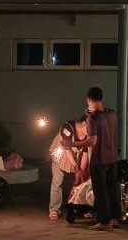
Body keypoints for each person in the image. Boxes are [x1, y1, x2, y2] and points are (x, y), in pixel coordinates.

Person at [74, 86, 120, 230]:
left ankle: (104, 221)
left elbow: (92, 141)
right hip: (113, 157)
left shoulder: (92, 118)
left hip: (98, 159)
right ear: (102, 98)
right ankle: (114, 219)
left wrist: (73, 143)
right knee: (113, 189)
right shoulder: (112, 114)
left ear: (88, 99)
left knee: (101, 191)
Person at [48, 119, 85, 220]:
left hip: (77, 156)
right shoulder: (68, 127)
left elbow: (85, 152)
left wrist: (80, 169)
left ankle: (81, 209)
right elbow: (66, 149)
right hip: (60, 155)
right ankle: (54, 209)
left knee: (81, 182)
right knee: (57, 181)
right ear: (83, 124)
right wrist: (75, 165)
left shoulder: (90, 134)